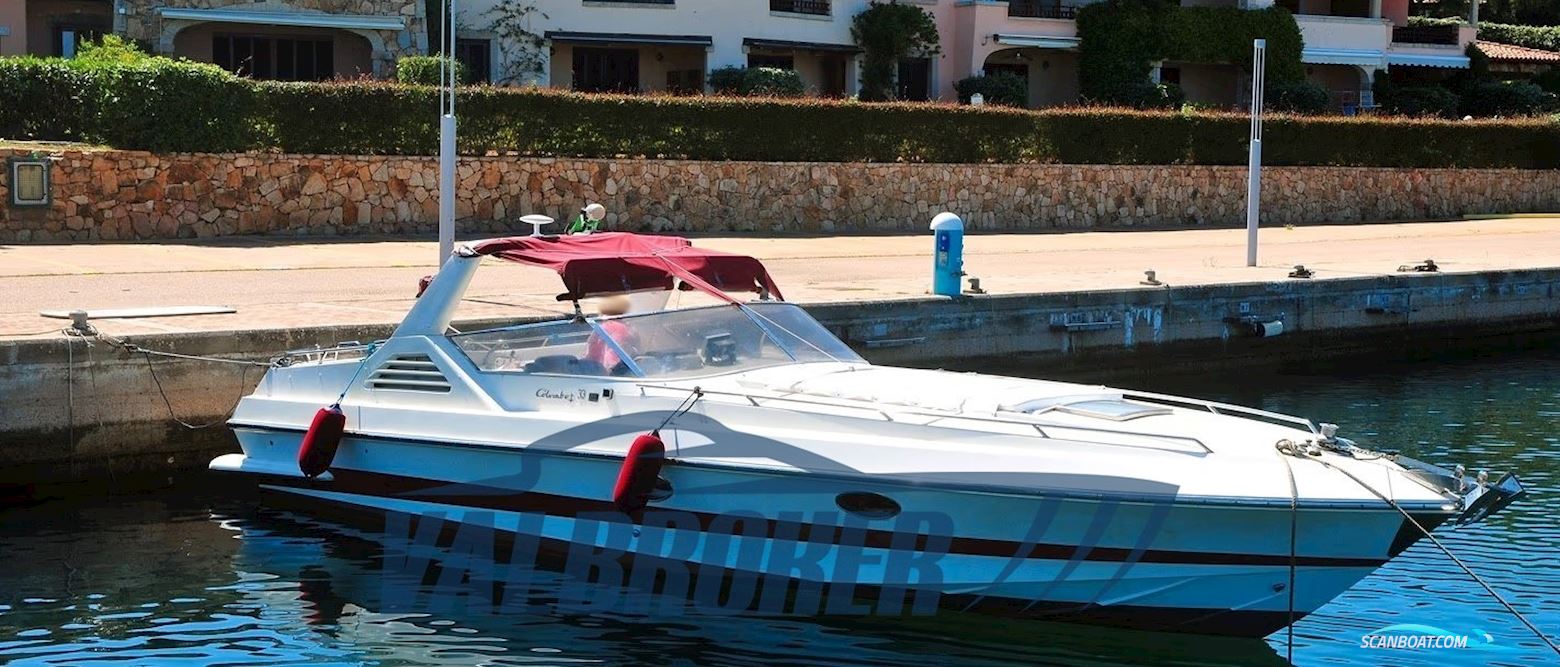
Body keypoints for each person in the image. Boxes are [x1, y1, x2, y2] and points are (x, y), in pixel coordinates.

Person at [584, 295, 639, 374]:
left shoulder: (603, 327)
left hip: (608, 370)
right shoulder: (630, 329)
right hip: (627, 369)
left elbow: (592, 351)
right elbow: (638, 348)